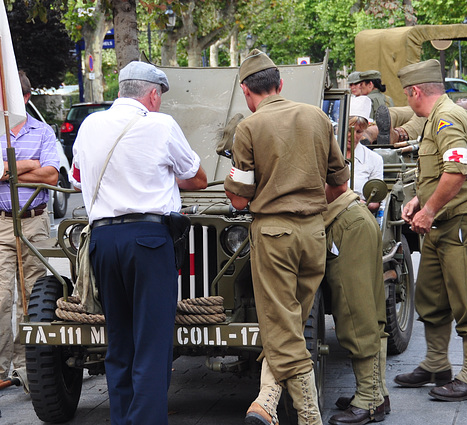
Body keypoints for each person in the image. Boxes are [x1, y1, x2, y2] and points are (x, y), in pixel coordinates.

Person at [71, 61, 207, 425]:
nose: (159, 102)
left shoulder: (90, 125)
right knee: (152, 343)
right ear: (151, 93)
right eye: (159, 96)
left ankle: (123, 420)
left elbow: (77, 177)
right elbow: (197, 177)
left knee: (119, 342)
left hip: (102, 239)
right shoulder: (160, 124)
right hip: (148, 239)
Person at [223, 49, 349, 425]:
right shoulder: (318, 117)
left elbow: (238, 197)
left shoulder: (248, 128)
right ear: (280, 85)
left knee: (283, 327)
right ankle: (266, 399)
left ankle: (309, 418)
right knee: (291, 322)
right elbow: (339, 184)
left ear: (247, 91)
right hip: (314, 232)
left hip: (273, 234)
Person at [392, 59, 467, 402]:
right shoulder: (435, 118)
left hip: (460, 224)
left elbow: (455, 172)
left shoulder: (447, 117)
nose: (408, 102)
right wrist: (418, 202)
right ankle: (437, 364)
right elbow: (435, 171)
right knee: (432, 298)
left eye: (408, 96)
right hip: (440, 225)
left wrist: (431, 209)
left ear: (416, 91)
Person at [0, 71, 60, 380]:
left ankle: (27, 367)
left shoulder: (43, 132)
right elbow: (40, 168)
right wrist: (29, 165)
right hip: (2, 223)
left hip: (35, 221)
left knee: (32, 296)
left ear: (25, 98)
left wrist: (7, 170)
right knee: (1, 296)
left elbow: (51, 176)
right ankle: (1, 367)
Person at [323, 181, 389, 425]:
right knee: (370, 310)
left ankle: (369, 400)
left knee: (355, 312)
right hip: (353, 215)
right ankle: (378, 394)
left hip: (345, 222)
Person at [346, 95, 384, 211]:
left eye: (358, 132)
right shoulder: (328, 153)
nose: (352, 135)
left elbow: (376, 201)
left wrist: (362, 203)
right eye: (349, 129)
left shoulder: (373, 159)